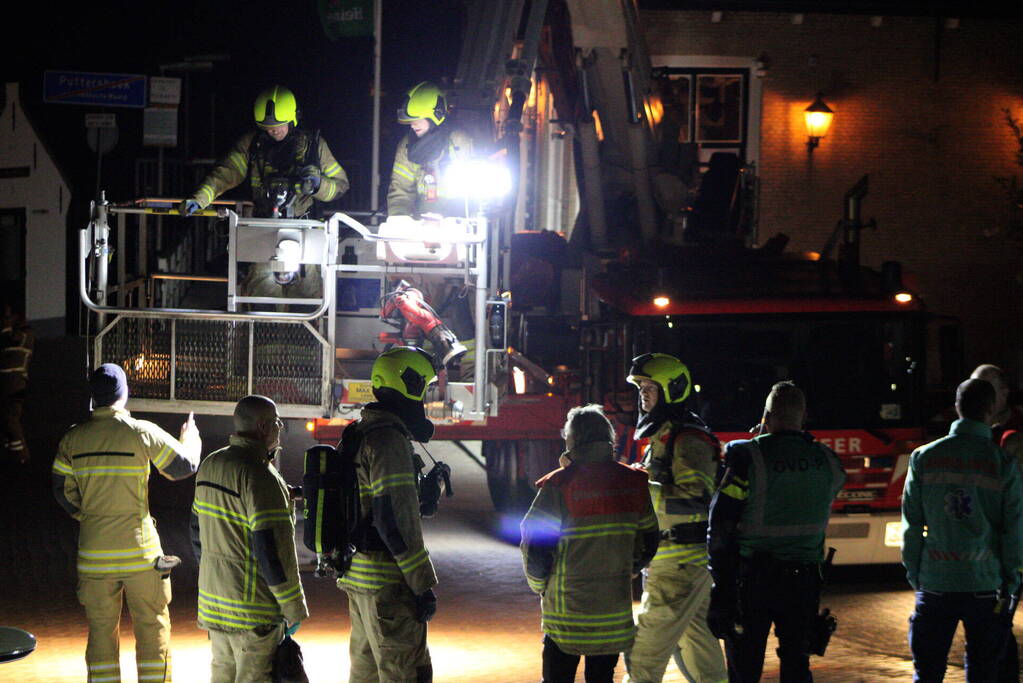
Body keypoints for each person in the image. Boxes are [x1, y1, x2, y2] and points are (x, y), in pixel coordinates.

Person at [51, 363, 201, 683]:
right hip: (141, 554)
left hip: (93, 554)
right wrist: (191, 440)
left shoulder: (72, 439)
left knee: (101, 630)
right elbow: (182, 467)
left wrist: (92, 518)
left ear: (94, 397)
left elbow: (62, 492)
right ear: (124, 394)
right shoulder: (139, 431)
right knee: (152, 626)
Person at [706, 381, 845, 683]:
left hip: (752, 582)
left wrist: (720, 585)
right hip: (805, 581)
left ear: (766, 416)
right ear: (803, 416)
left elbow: (720, 523)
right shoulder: (827, 460)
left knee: (745, 668)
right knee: (797, 665)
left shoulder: (747, 457)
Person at [520, 404, 660, 683]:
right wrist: (629, 568)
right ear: (609, 439)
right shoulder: (634, 483)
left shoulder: (560, 485)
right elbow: (650, 539)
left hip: (566, 616)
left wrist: (539, 585)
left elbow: (535, 546)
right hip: (612, 615)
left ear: (571, 441)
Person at [179, 84, 349, 302]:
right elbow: (225, 173)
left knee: (307, 300)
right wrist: (199, 199)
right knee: (261, 297)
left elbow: (341, 185)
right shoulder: (252, 145)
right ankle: (262, 336)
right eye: (267, 127)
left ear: (292, 118)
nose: (273, 130)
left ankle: (302, 336)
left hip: (306, 231)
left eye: (278, 125)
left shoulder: (314, 147)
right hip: (263, 230)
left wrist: (317, 186)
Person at [902, 378, 1023, 683]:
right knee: (984, 672)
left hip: (935, 582)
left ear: (956, 407)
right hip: (985, 584)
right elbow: (1013, 530)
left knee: (927, 673)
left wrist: (916, 575)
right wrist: (1011, 579)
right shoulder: (1002, 463)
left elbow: (912, 525)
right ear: (992, 409)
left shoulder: (923, 457)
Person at [623, 353, 728, 683]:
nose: (643, 394)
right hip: (676, 560)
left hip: (679, 564)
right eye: (640, 387)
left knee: (643, 655)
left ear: (673, 389)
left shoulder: (689, 438)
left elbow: (696, 499)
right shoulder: (665, 435)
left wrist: (639, 489)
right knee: (699, 649)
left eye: (650, 387)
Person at [337, 346, 440, 682]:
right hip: (388, 587)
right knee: (404, 673)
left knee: (364, 673)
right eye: (424, 388)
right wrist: (422, 584)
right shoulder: (388, 442)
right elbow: (393, 521)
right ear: (409, 384)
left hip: (358, 578)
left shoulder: (357, 433)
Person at [190, 394, 307, 682]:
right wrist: (293, 607)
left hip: (214, 604)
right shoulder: (261, 475)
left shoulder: (210, 464)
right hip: (253, 614)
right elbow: (272, 550)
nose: (280, 430)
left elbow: (196, 530)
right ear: (265, 426)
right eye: (278, 423)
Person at [387, 81, 474, 218]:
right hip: (420, 225)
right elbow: (400, 190)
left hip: (458, 225)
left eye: (418, 119)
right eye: (411, 120)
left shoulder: (459, 141)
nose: (412, 125)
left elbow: (473, 193)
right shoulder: (407, 146)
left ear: (436, 116)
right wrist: (399, 219)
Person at [0, 306, 33, 463]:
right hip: (9, 383)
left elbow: (10, 340)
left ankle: (22, 454)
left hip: (16, 384)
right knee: (8, 418)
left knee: (11, 417)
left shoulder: (25, 334)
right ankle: (13, 451)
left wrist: (6, 323)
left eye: (10, 317)